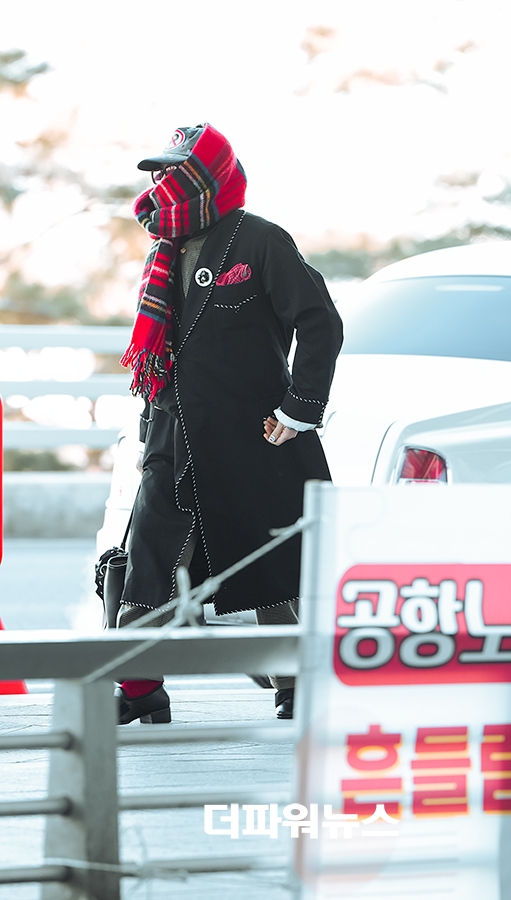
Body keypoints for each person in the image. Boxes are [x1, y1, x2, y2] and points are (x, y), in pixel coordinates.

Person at [115, 123, 343, 723]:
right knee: (149, 556)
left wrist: (299, 409)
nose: (164, 183)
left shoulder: (262, 240)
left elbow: (320, 323)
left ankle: (297, 687)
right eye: (161, 172)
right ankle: (139, 688)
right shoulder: (164, 246)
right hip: (173, 431)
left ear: (208, 176)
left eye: (177, 172)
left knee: (274, 563)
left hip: (257, 435)